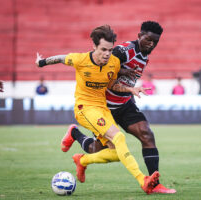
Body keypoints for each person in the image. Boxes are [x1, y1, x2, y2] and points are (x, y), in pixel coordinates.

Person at [35, 25, 160, 194]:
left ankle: (82, 157)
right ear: (94, 46)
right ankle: (142, 180)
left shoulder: (114, 62)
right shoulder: (80, 59)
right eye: (103, 50)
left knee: (115, 153)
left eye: (109, 50)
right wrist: (41, 62)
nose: (107, 54)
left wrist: (131, 89)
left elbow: (112, 84)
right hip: (85, 108)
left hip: (102, 108)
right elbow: (60, 58)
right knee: (119, 137)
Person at [61, 21, 176, 193]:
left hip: (124, 103)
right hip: (104, 106)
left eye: (155, 42)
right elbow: (101, 62)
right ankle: (75, 135)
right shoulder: (123, 50)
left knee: (147, 134)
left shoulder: (144, 55)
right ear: (139, 36)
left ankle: (154, 183)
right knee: (96, 149)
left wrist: (129, 88)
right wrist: (121, 72)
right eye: (148, 40)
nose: (151, 44)